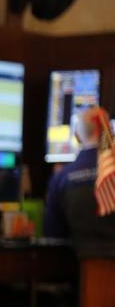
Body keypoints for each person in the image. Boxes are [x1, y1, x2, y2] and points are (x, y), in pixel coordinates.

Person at [44, 106, 115, 257]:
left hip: (78, 268)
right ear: (109, 132)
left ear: (77, 136)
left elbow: (52, 236)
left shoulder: (61, 178)